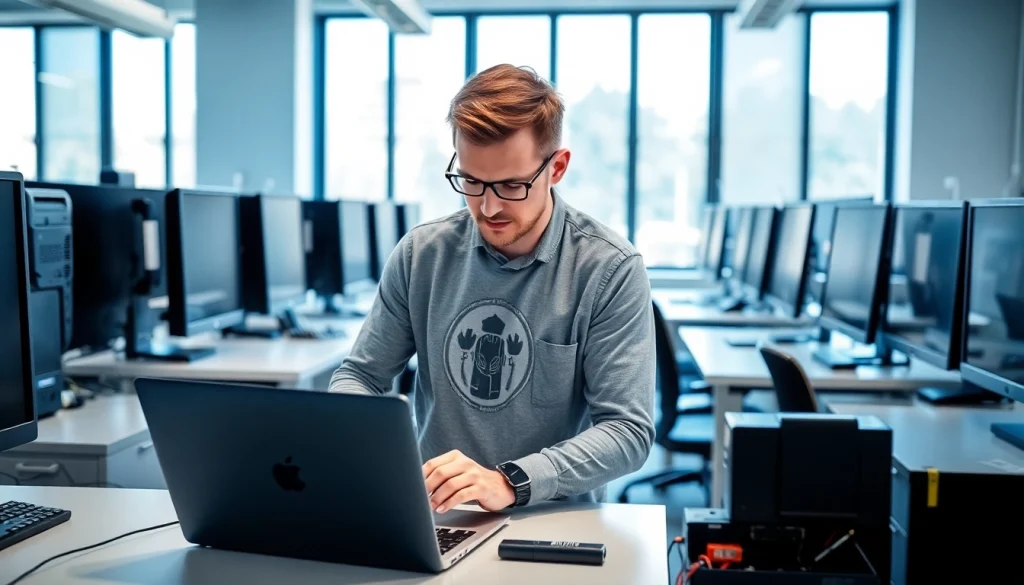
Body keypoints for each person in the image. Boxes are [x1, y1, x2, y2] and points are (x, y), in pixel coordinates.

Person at [330, 64, 655, 513]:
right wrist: (360, 438)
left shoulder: (609, 269)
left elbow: (627, 432)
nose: (488, 207)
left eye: (511, 185)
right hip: (436, 516)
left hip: (552, 519)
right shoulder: (422, 254)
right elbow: (360, 375)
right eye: (472, 181)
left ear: (556, 167)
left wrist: (509, 482)